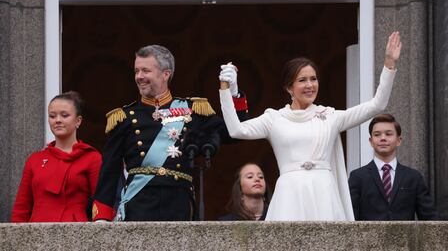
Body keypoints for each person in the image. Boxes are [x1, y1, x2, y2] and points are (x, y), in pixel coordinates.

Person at [219, 32, 402, 221]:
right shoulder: (274, 119)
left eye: (313, 79)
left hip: (324, 191)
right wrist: (228, 91)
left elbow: (377, 104)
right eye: (302, 80)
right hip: (289, 194)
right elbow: (236, 130)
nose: (310, 85)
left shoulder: (330, 116)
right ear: (289, 88)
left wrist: (389, 63)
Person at [92, 45, 248, 221]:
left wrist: (233, 93)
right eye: (136, 71)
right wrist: (102, 216)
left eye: (145, 71)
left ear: (165, 74)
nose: (139, 77)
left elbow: (234, 132)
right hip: (139, 203)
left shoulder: (193, 110)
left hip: (179, 203)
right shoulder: (124, 117)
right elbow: (109, 171)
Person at [11, 91, 102, 222]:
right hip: (37, 232)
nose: (58, 120)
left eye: (64, 115)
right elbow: (22, 207)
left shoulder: (92, 158)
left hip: (77, 232)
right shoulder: (35, 160)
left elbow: (101, 202)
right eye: (52, 116)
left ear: (78, 121)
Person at [348, 114, 439, 220]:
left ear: (399, 140)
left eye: (388, 134)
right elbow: (351, 218)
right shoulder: (357, 177)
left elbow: (430, 218)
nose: (383, 138)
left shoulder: (414, 177)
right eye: (377, 135)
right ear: (371, 141)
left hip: (405, 236)